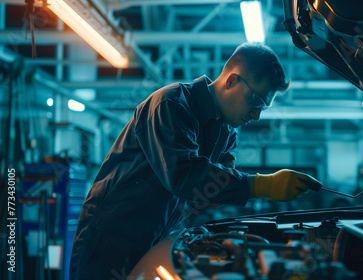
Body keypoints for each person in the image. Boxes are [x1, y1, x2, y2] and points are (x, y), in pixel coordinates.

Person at [69, 42, 322, 279]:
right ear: (232, 80)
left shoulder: (226, 132)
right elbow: (185, 175)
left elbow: (215, 186)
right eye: (255, 101)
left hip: (154, 237)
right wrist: (263, 185)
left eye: (262, 108)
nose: (256, 115)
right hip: (109, 238)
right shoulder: (170, 105)